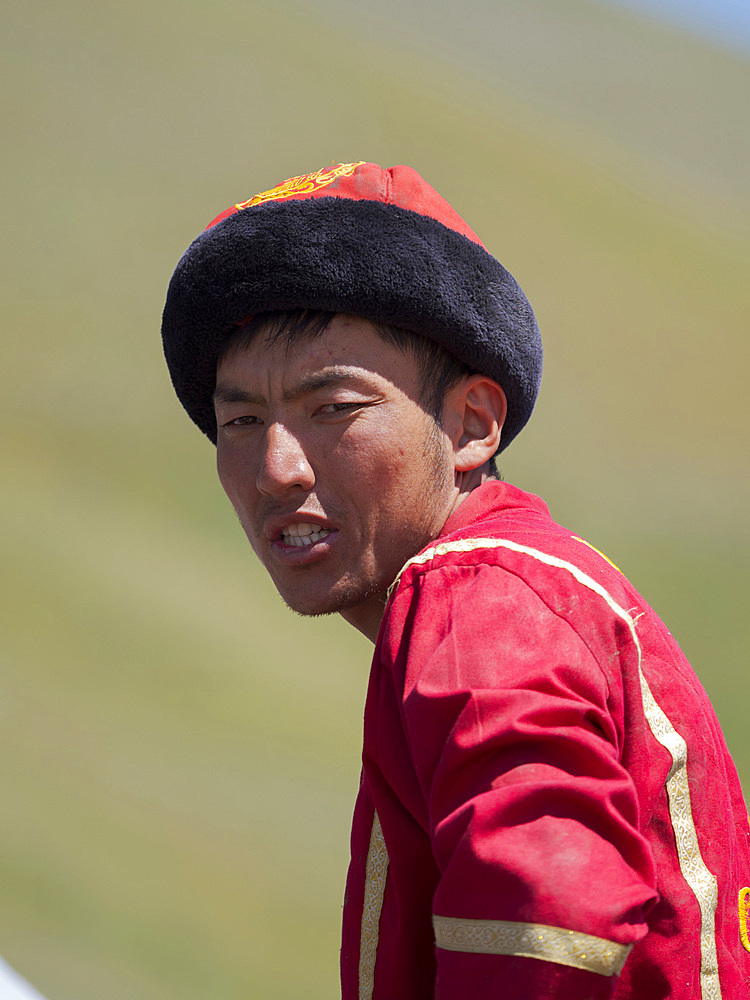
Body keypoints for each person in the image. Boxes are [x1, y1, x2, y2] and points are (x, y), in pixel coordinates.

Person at [161, 161, 750, 999]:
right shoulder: (518, 586)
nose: (275, 468)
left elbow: (549, 912)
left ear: (472, 425)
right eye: (241, 421)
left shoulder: (479, 595)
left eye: (334, 408)